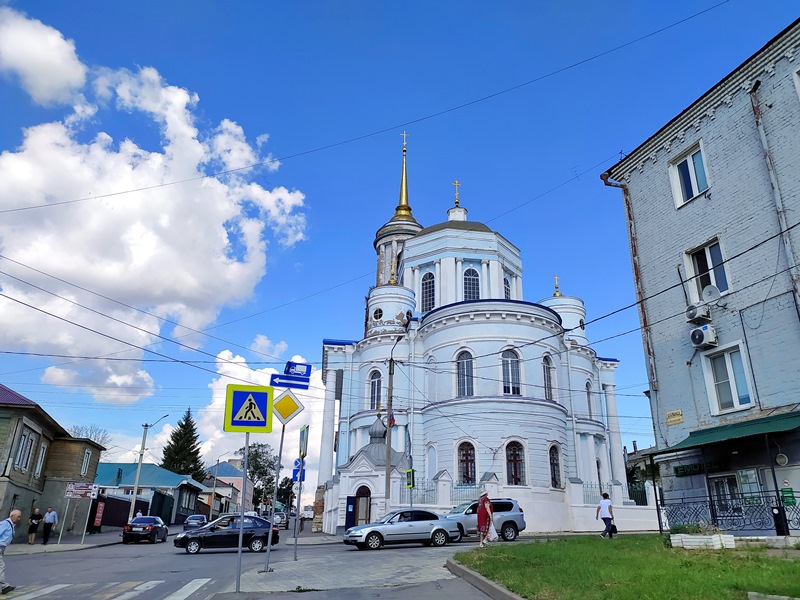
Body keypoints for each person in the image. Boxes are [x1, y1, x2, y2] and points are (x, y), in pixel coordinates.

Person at [0, 509, 22, 594]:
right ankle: (4, 586)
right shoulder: (5, 524)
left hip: (2, 548)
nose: (19, 519)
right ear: (12, 516)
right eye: (18, 516)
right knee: (1, 566)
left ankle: (4, 586)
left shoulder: (11, 525)